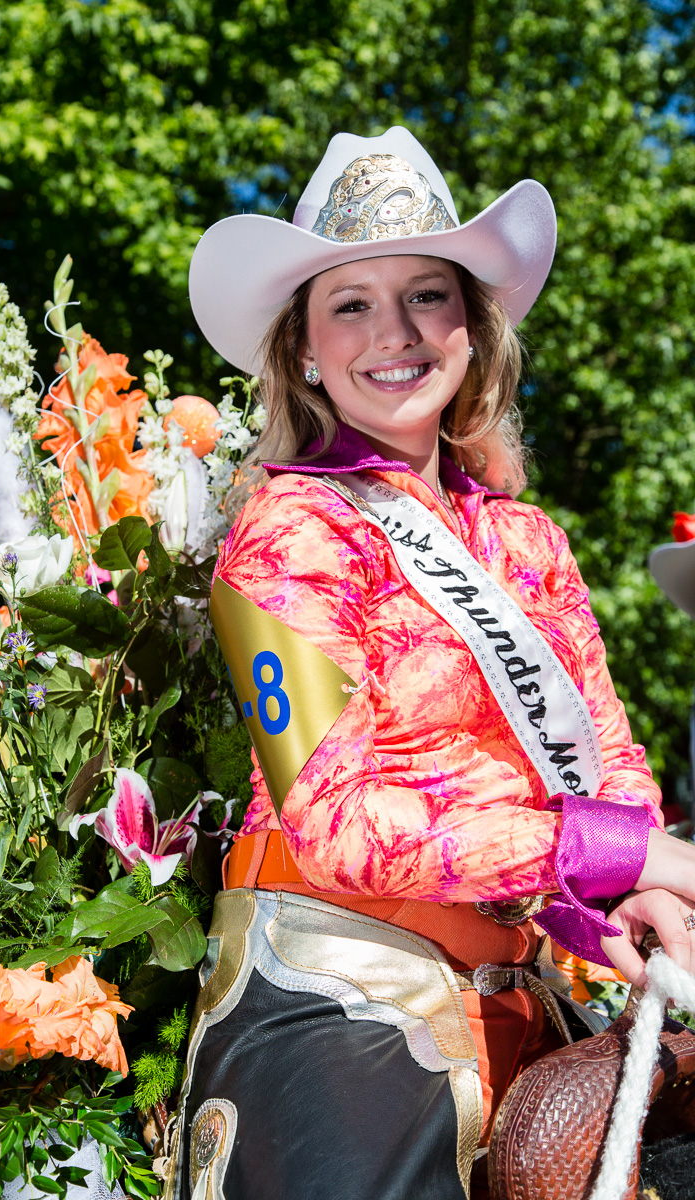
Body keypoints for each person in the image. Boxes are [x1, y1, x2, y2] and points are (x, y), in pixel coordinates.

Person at [165, 128, 695, 1200]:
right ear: (304, 350)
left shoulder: (528, 539)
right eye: (349, 304)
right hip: (334, 999)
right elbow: (338, 822)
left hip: (526, 989)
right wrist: (614, 854)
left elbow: (605, 755)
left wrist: (635, 899)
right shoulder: (287, 530)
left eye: (425, 296)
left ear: (471, 331)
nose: (394, 333)